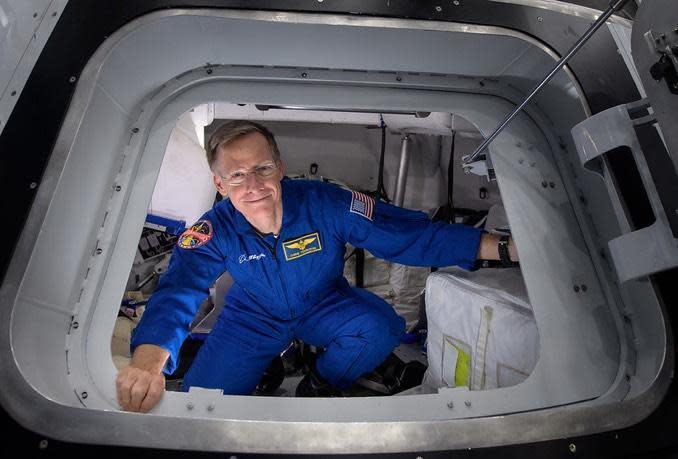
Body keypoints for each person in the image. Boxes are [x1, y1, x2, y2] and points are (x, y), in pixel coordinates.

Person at [116, 120, 519, 412]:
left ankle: (321, 381)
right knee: (198, 407)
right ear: (219, 185)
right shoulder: (212, 231)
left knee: (382, 327)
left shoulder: (324, 202)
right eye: (237, 175)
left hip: (324, 304)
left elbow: (402, 236)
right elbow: (178, 291)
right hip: (252, 319)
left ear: (279, 164)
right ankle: (266, 360)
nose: (253, 185)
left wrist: (500, 248)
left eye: (262, 169)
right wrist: (147, 363)